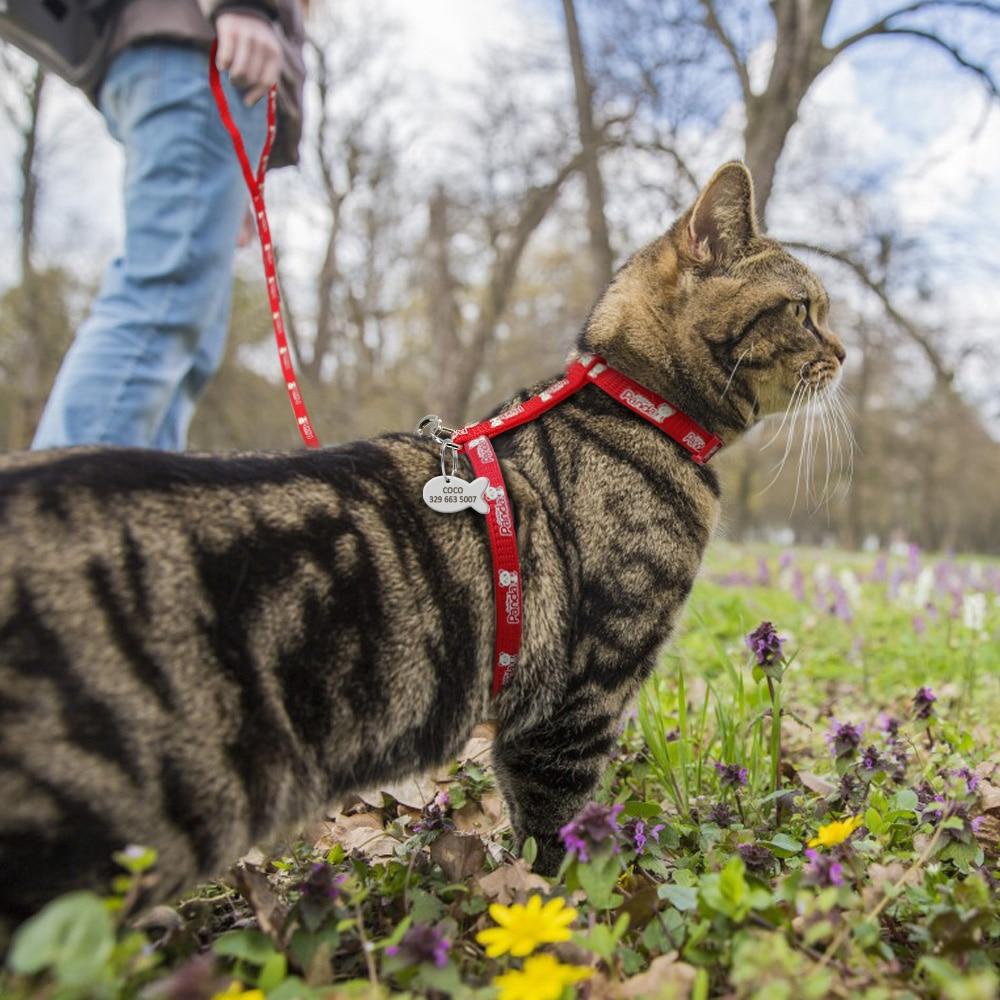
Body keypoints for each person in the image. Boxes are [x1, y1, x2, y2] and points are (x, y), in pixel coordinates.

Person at [0, 1, 307, 450]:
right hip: (202, 56)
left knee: (185, 346)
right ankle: (55, 511)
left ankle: (136, 507)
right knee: (162, 308)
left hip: (193, 66)